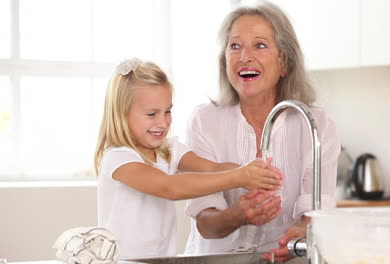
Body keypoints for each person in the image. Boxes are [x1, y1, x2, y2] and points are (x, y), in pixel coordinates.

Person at [183, 2, 340, 262]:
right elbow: (206, 224)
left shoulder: (317, 125)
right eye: (235, 46)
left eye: (260, 45)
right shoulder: (204, 121)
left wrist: (299, 233)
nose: (244, 56)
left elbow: (315, 213)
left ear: (285, 63)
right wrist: (237, 215)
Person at [94, 58, 283, 259]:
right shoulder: (118, 158)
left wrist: (252, 171)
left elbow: (211, 168)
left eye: (167, 111)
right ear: (121, 115)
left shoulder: (169, 150)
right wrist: (240, 176)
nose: (162, 122)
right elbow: (170, 187)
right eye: (151, 114)